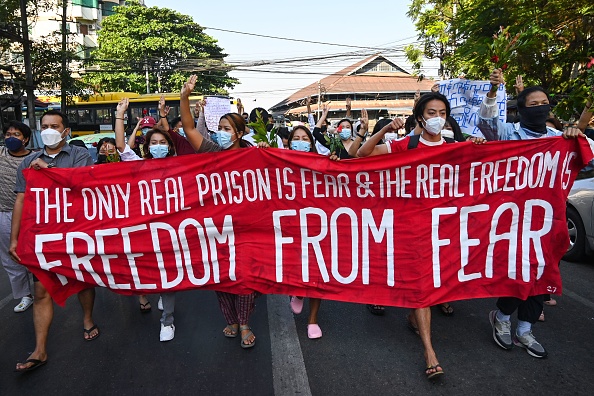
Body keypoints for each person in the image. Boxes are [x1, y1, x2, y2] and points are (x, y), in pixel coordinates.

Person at [358, 92, 485, 380]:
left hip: (445, 230)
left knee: (433, 284)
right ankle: (430, 352)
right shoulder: (405, 145)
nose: (437, 118)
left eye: (442, 113)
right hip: (412, 231)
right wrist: (385, 129)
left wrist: (478, 145)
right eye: (430, 113)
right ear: (420, 118)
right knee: (422, 286)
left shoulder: (456, 148)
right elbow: (361, 154)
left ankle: (415, 317)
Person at [479, 68, 585, 358]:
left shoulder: (557, 138)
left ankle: (524, 330)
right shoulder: (507, 134)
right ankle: (501, 318)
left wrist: (576, 135)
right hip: (512, 220)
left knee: (542, 274)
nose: (540, 108)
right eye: (533, 104)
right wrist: (492, 90)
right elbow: (486, 123)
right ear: (521, 110)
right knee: (517, 274)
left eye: (544, 104)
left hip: (546, 222)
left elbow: (583, 157)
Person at [10, 110, 99, 372]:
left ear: (65, 131)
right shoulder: (28, 163)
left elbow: (81, 187)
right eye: (44, 126)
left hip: (75, 232)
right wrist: (14, 239)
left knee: (82, 280)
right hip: (44, 236)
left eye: (54, 126)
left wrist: (47, 170)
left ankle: (87, 319)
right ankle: (39, 349)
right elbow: (21, 200)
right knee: (41, 289)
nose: (49, 130)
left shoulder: (79, 156)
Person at [180, 75, 258, 348]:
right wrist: (185, 96)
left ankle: (244, 321)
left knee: (245, 276)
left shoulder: (256, 155)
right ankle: (231, 319)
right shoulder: (212, 151)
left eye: (226, 128)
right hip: (216, 227)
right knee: (221, 275)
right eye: (219, 128)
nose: (220, 133)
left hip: (248, 226)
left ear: (239, 133)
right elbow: (189, 128)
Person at [114, 98, 178, 341]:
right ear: (148, 146)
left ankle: (167, 321)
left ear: (169, 147)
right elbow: (121, 146)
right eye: (154, 142)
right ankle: (160, 294)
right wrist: (120, 114)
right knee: (149, 272)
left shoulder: (183, 166)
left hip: (173, 231)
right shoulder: (139, 165)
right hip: (145, 231)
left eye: (163, 142)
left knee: (170, 277)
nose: (158, 146)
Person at [1, 121, 34, 313]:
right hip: (4, 213)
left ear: (26, 139)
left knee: (34, 252)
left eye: (16, 135)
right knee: (10, 257)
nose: (11, 138)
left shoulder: (34, 159)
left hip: (30, 214)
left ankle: (43, 288)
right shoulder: (0, 154)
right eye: (8, 134)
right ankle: (24, 295)